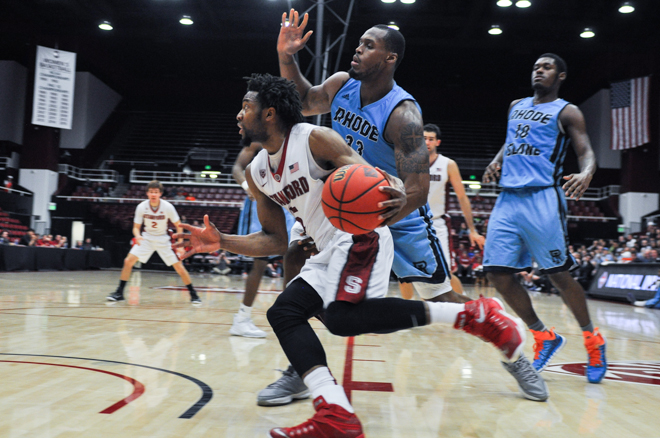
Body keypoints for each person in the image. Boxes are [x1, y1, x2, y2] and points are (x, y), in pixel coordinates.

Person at [176, 73, 547, 438]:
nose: (239, 115)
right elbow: (275, 240)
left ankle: (469, 316)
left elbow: (374, 179)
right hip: (326, 249)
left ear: (270, 114)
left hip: (359, 237)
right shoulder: (259, 172)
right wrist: (221, 240)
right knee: (284, 314)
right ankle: (336, 413)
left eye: (246, 107)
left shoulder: (314, 139)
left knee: (337, 318)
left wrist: (391, 190)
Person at [262, 9, 546, 409]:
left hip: (399, 213)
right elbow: (305, 101)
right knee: (299, 274)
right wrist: (288, 56)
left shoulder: (404, 115)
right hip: (342, 211)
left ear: (389, 57)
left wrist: (387, 211)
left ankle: (514, 352)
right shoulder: (342, 85)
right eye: (358, 43)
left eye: (368, 46)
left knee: (444, 295)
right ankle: (302, 369)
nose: (357, 51)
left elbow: (416, 187)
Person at [482, 53, 607, 383]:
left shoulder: (568, 111)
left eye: (547, 67)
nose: (539, 71)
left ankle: (593, 341)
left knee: (559, 275)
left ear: (561, 75)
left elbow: (586, 151)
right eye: (536, 67)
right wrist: (496, 162)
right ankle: (543, 335)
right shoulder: (515, 105)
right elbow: (510, 144)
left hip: (542, 198)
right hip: (508, 198)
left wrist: (587, 173)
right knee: (498, 274)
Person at [230, 140, 297, 338]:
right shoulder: (258, 140)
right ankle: (242, 318)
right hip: (263, 200)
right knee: (260, 261)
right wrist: (245, 185)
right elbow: (236, 167)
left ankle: (289, 316)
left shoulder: (294, 136)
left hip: (286, 199)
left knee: (292, 256)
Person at [106, 180, 200, 304]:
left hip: (163, 239)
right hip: (147, 238)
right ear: (147, 194)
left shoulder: (167, 206)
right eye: (151, 192)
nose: (153, 194)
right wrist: (137, 236)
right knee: (128, 261)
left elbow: (179, 225)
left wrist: (180, 244)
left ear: (160, 193)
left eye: (156, 192)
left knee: (179, 267)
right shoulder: (141, 207)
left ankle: (194, 295)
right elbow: (135, 227)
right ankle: (119, 292)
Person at [424, 123, 485, 294]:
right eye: (423, 139)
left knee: (446, 271)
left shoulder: (447, 164)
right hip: (413, 222)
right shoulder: (409, 163)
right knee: (406, 273)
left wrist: (472, 229)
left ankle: (465, 305)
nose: (427, 142)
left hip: (437, 223)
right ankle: (406, 311)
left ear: (438, 142)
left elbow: (462, 197)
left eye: (430, 139)